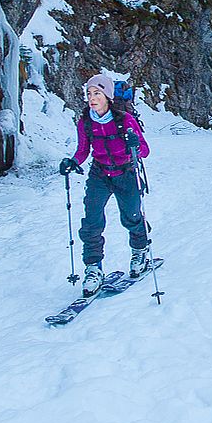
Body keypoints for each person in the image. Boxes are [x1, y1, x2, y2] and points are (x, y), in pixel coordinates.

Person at [59, 74, 152, 297]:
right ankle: (93, 269)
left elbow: (145, 151)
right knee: (91, 221)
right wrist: (72, 161)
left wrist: (134, 144)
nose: (92, 98)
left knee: (131, 216)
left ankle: (139, 250)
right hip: (99, 173)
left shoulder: (125, 119)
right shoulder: (86, 121)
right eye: (89, 94)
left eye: (97, 93)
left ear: (108, 96)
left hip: (126, 172)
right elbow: (83, 150)